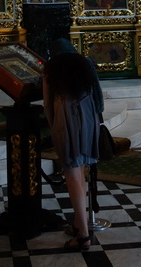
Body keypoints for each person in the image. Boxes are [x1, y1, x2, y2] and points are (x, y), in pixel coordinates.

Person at [42, 38, 102, 250]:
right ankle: (79, 224)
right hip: (89, 117)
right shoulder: (85, 63)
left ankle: (83, 236)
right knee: (81, 172)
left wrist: (54, 127)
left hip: (66, 120)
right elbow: (98, 97)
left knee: (71, 172)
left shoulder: (51, 70)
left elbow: (48, 104)